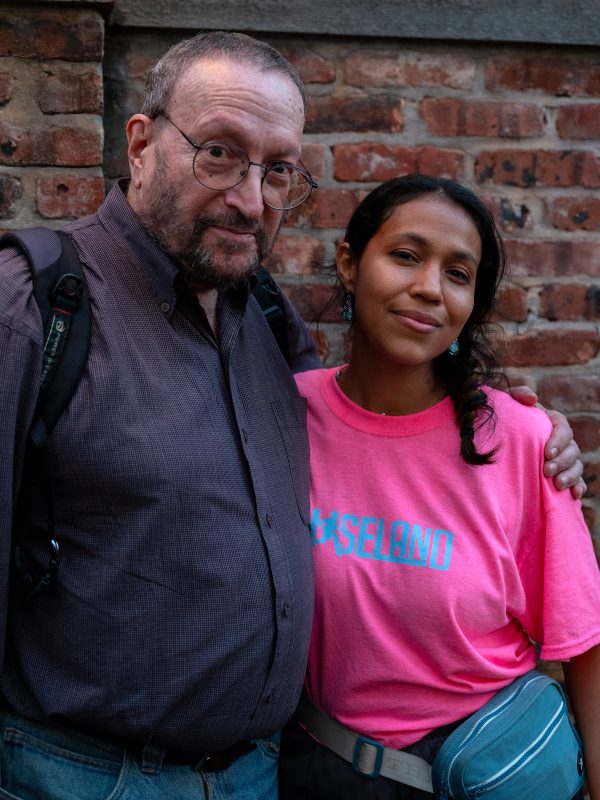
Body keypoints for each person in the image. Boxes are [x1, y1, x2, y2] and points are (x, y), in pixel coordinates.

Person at [0, 31, 585, 800]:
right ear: (140, 144)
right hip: (80, 777)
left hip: (259, 776)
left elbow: (369, 429)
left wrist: (529, 432)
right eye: (219, 153)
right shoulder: (37, 303)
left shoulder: (263, 320)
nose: (251, 199)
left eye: (277, 171)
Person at [278, 174, 600, 800]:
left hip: (478, 773)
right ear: (350, 262)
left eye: (458, 274)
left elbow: (585, 645)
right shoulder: (285, 415)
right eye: (405, 256)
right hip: (314, 771)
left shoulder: (523, 442)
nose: (428, 289)